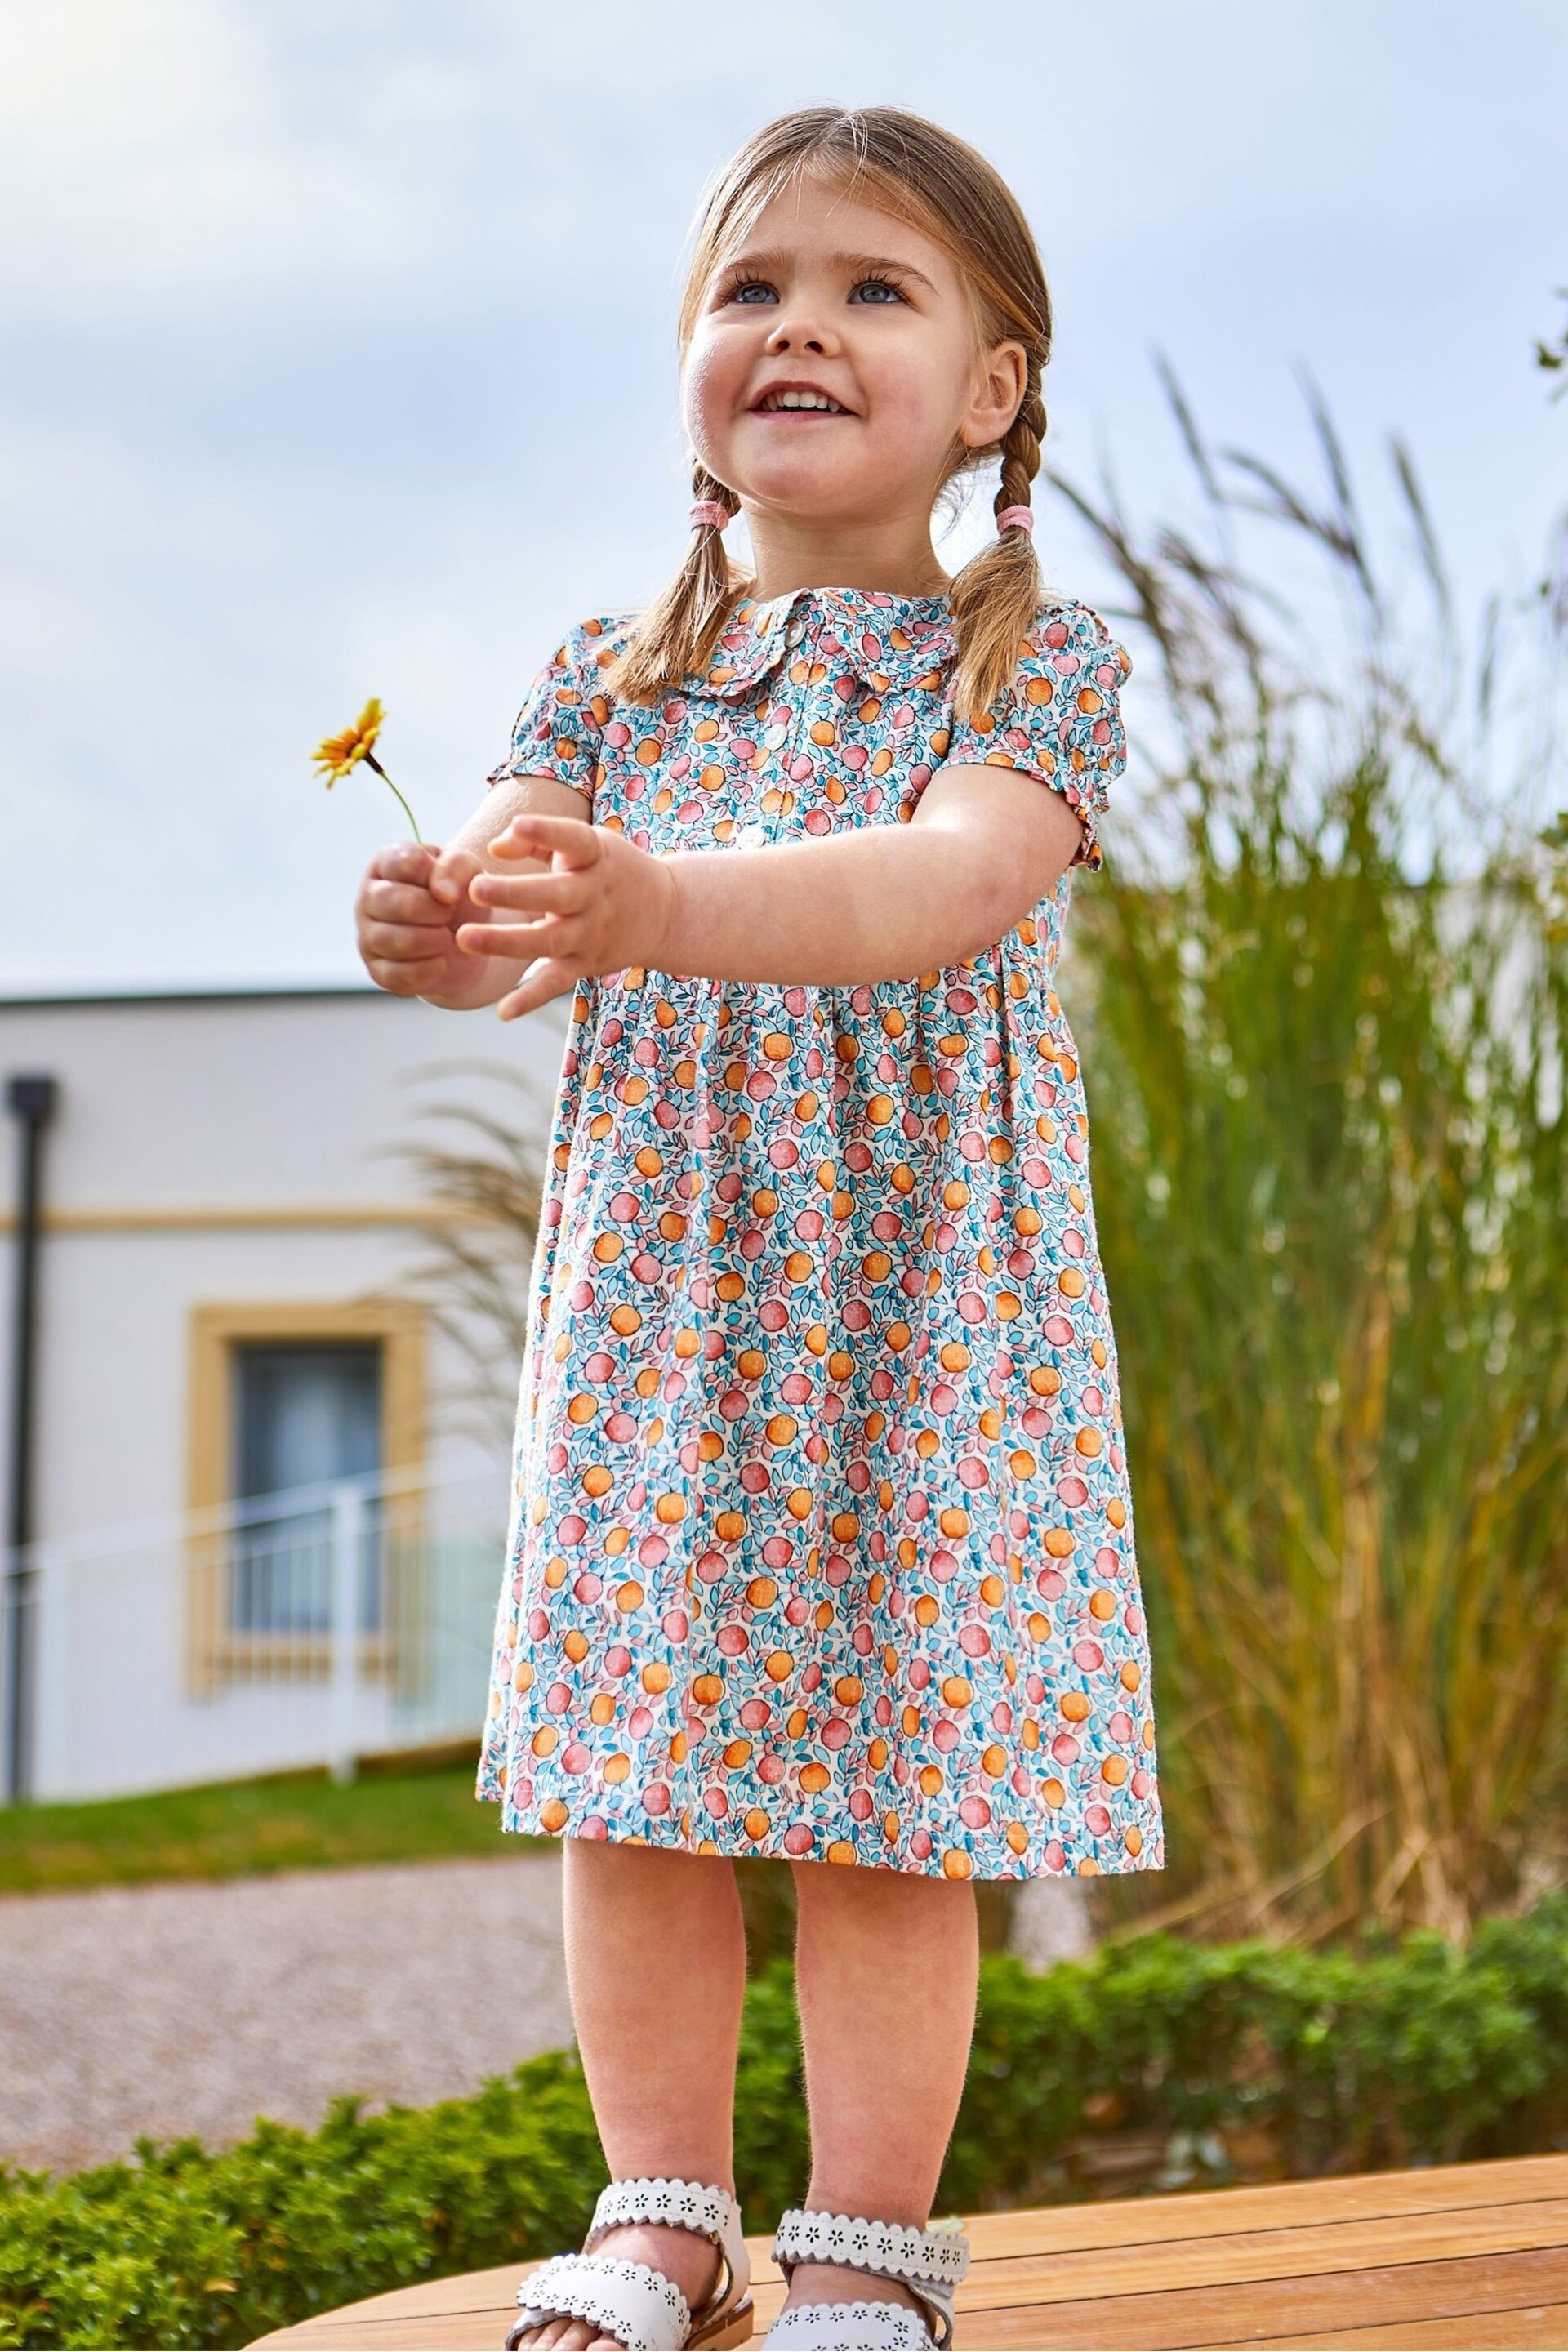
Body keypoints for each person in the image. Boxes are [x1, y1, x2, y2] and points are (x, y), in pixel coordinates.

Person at [354, 102, 1164, 2352]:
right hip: (673, 1304)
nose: (799, 325)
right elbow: (528, 926)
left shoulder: (1034, 668)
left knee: (892, 1788)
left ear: (992, 389)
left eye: (872, 289)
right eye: (753, 288)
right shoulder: (605, 679)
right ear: (691, 358)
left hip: (922, 1304)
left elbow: (941, 892)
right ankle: (661, 2214)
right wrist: (442, 926)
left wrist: (655, 904)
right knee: (640, 1773)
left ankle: (872, 2245)